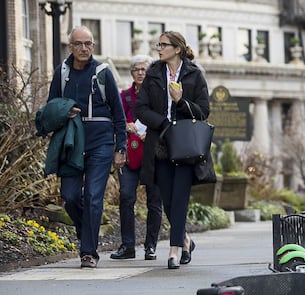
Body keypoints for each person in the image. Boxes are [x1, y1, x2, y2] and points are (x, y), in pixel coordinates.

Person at [45, 26, 127, 268]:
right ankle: (87, 235)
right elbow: (51, 106)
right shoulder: (62, 72)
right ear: (70, 46)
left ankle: (88, 253)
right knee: (70, 196)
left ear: (93, 45)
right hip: (72, 142)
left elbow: (119, 114)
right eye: (79, 44)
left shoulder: (103, 72)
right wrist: (63, 111)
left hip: (100, 142)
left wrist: (120, 147)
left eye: (88, 43)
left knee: (93, 196)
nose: (84, 48)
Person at [135, 31, 210, 269]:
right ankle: (185, 239)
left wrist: (181, 102)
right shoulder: (153, 74)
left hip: (185, 144)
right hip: (160, 143)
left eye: (163, 45)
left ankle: (174, 249)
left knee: (180, 198)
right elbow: (141, 109)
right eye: (158, 44)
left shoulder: (195, 75)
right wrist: (163, 123)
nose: (159, 48)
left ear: (177, 49)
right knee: (166, 198)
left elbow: (203, 111)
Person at [110, 55, 163, 261]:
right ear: (131, 73)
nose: (141, 72)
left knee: (154, 202)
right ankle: (128, 246)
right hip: (130, 155)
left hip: (153, 155)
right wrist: (125, 126)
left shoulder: (158, 95)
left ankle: (151, 246)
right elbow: (116, 119)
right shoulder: (124, 97)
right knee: (126, 197)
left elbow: (165, 119)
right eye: (137, 69)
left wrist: (151, 130)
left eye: (145, 69)